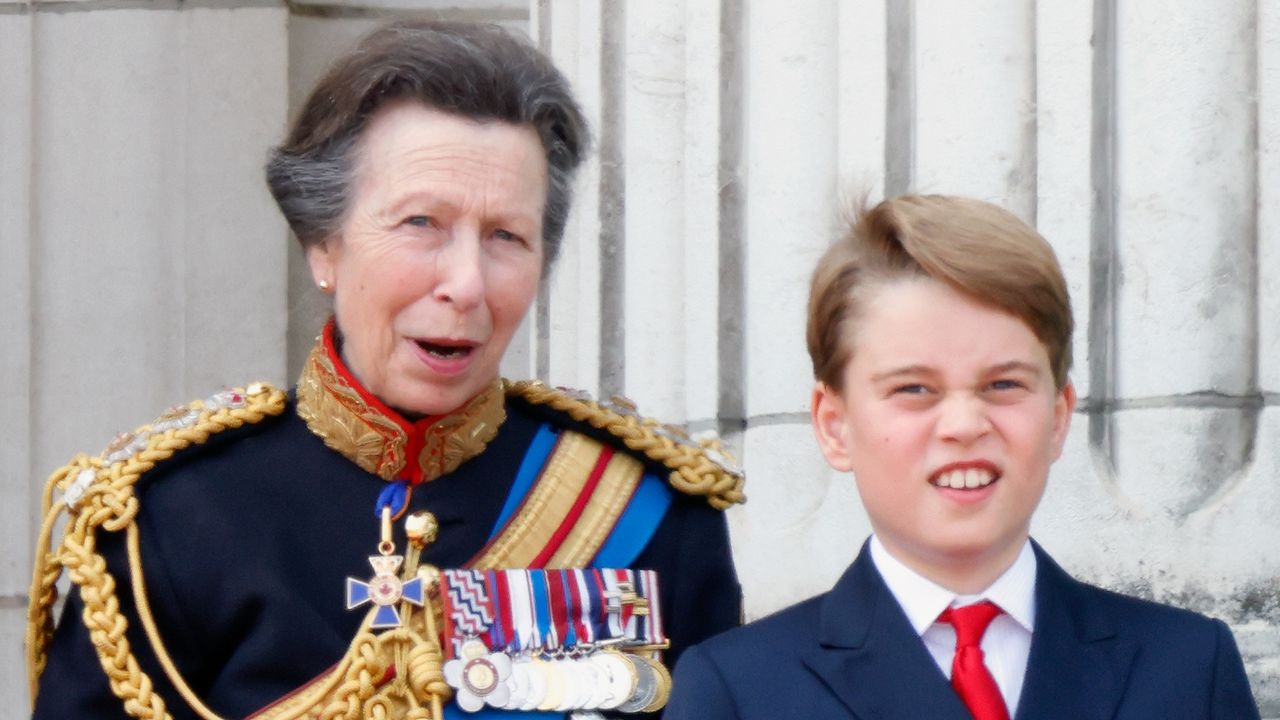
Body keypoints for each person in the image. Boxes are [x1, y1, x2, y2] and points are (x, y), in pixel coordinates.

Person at [27, 20, 743, 720]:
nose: (466, 282)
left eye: (507, 236)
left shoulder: (650, 513)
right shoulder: (175, 517)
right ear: (323, 245)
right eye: (420, 224)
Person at [664, 194, 1259, 719]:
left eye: (1003, 385)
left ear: (1057, 417)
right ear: (835, 425)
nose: (965, 425)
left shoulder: (1186, 666)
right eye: (913, 389)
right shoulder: (740, 689)